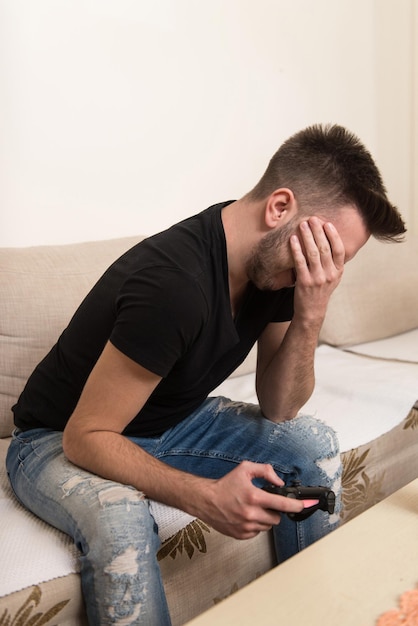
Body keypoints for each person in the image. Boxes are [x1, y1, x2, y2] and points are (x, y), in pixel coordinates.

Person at [7, 124, 405, 625]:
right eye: (322, 251)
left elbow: (281, 407)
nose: (320, 270)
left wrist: (311, 311)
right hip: (56, 437)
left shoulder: (281, 265)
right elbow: (86, 438)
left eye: (334, 261)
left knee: (311, 444)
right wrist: (205, 496)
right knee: (121, 522)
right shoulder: (175, 285)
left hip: (170, 421)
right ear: (279, 208)